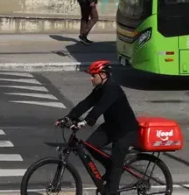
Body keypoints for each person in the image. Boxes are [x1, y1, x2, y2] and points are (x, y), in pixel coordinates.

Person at [59, 60, 139, 195]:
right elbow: (86, 103)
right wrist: (68, 117)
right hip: (111, 127)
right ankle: (110, 166)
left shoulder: (112, 88)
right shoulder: (101, 88)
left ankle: (112, 188)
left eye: (93, 75)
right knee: (90, 145)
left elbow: (100, 108)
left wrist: (84, 122)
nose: (91, 78)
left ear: (103, 75)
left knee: (116, 168)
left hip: (126, 131)